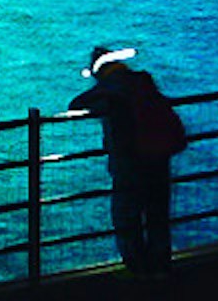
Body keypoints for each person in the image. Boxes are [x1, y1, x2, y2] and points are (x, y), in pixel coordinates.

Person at [67, 43, 183, 273]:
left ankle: (139, 274)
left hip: (129, 165)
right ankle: (161, 272)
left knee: (127, 222)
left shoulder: (109, 89)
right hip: (159, 160)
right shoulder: (142, 81)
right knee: (158, 218)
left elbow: (76, 104)